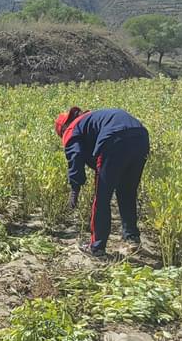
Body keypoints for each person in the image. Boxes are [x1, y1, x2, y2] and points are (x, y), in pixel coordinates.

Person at [55, 107, 150, 256]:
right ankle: (132, 239)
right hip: (141, 136)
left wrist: (75, 186)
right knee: (127, 192)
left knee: (101, 198)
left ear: (63, 127)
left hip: (113, 140)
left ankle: (96, 247)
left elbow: (76, 155)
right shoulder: (92, 118)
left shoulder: (71, 128)